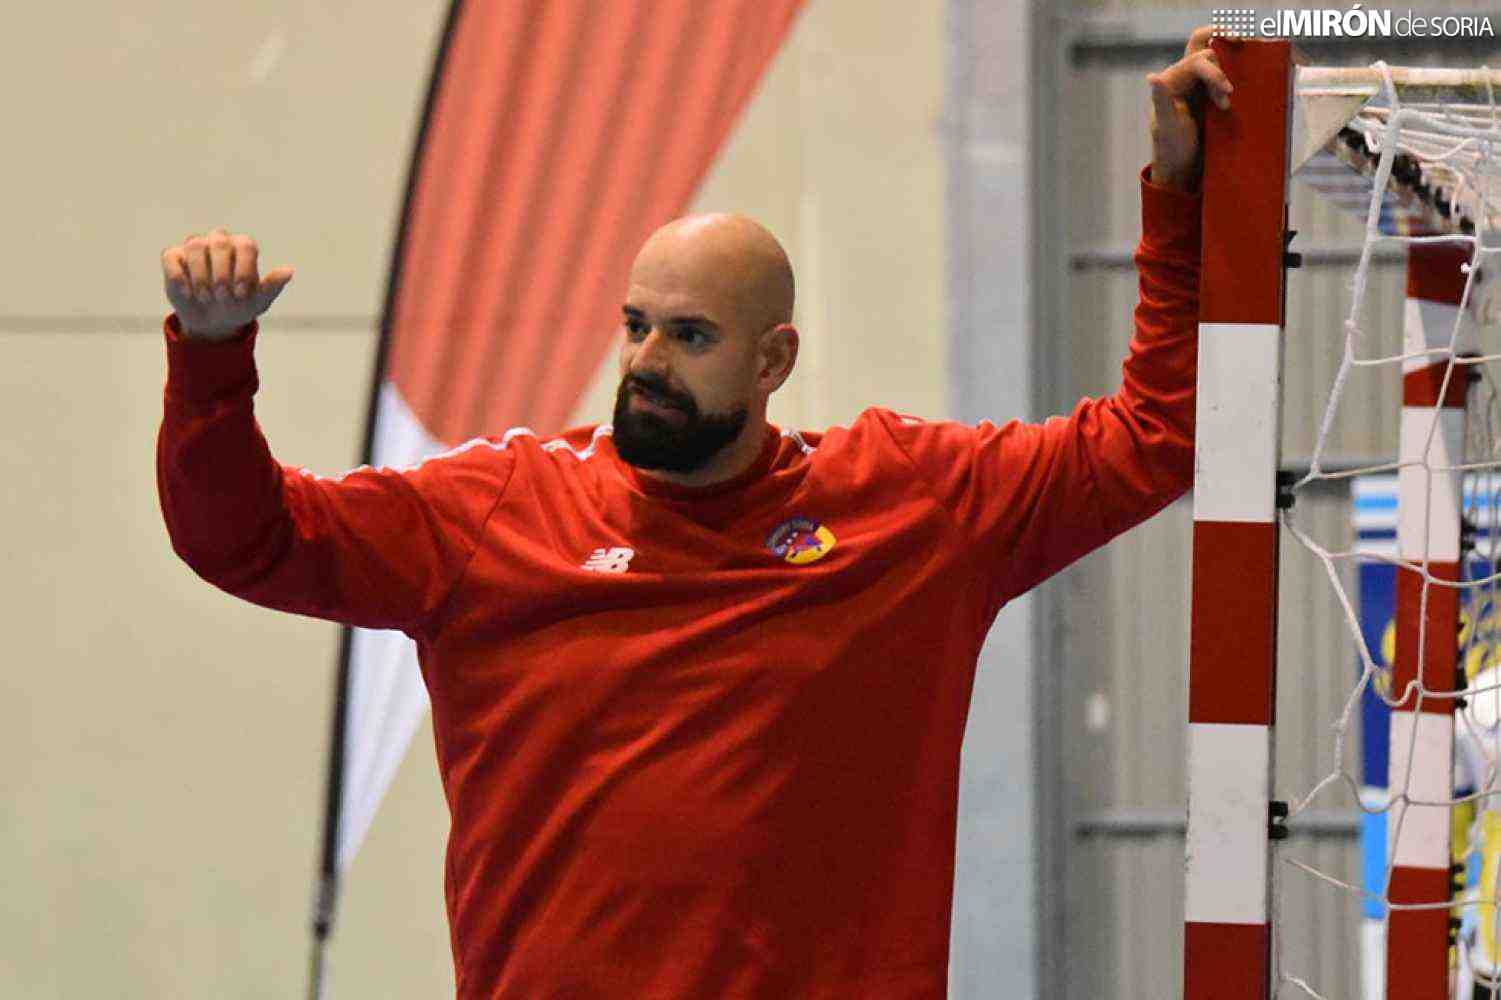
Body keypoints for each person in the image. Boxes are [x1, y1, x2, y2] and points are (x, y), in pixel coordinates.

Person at [156, 28, 1232, 1000]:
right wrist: (211, 362)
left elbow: (1154, 440)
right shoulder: (494, 512)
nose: (645, 363)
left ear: (774, 360)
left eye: (688, 335)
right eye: (635, 326)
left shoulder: (911, 503)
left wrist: (1180, 200)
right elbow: (245, 539)